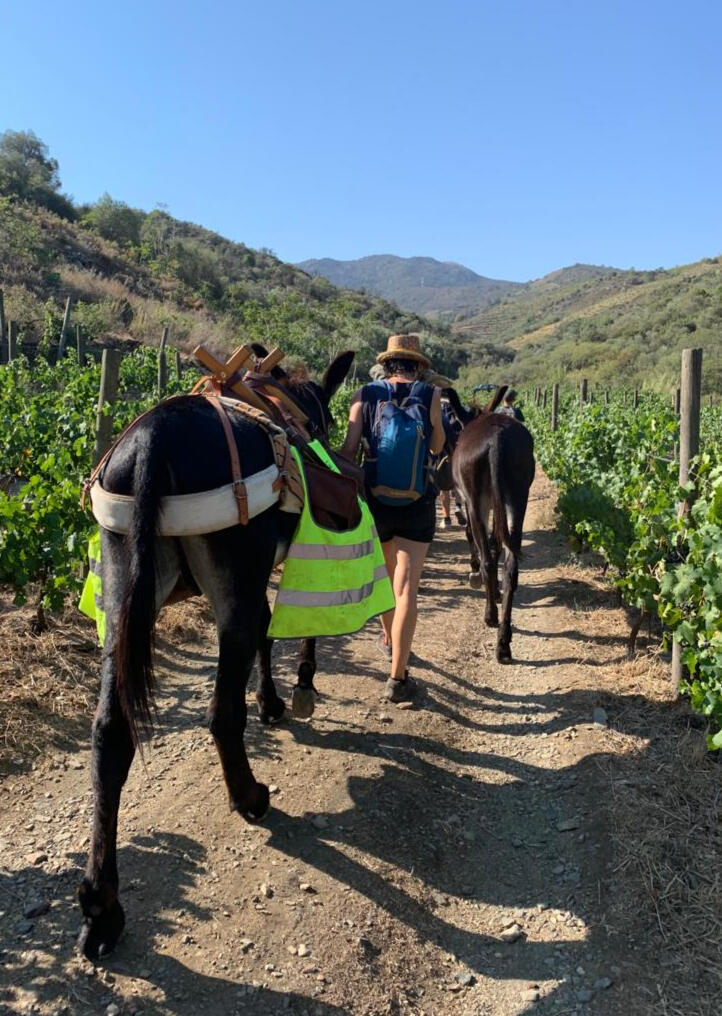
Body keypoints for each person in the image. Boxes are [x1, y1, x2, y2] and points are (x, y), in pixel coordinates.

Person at [341, 334, 446, 702]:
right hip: (417, 503)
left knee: (386, 585)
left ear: (386, 364)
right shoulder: (430, 395)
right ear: (417, 365)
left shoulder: (365, 394)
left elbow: (350, 449)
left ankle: (388, 641)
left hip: (375, 501)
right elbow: (437, 447)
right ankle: (398, 678)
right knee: (407, 590)